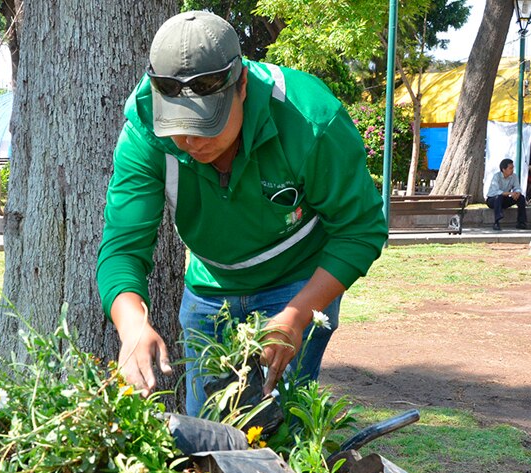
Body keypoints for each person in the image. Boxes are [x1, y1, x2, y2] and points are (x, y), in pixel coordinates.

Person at [95, 11, 388, 417]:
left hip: (296, 281)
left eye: (207, 123)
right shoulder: (145, 132)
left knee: (278, 428)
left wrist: (296, 316)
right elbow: (122, 249)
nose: (191, 140)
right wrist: (131, 325)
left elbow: (360, 230)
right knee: (207, 429)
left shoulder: (310, 118)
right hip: (210, 288)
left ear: (242, 85)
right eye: (177, 125)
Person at [486, 158, 528, 230]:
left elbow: (517, 187)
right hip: (492, 199)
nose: (512, 170)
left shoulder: (514, 176)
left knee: (521, 198)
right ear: (503, 169)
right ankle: (496, 222)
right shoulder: (496, 176)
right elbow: (496, 191)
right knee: (498, 197)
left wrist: (517, 193)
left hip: (504, 199)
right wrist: (510, 193)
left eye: (513, 168)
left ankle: (521, 222)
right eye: (510, 168)